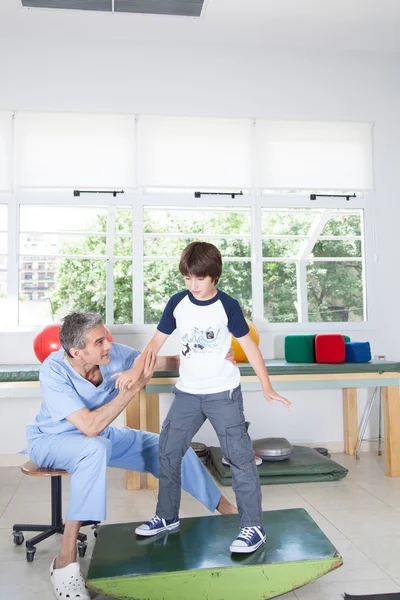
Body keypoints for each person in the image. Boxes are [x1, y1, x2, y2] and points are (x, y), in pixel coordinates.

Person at [25, 311, 237, 600]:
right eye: (99, 342)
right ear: (77, 352)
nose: (108, 346)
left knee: (171, 447)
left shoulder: (113, 356)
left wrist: (212, 360)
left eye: (107, 338)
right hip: (52, 440)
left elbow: (161, 362)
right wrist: (133, 388)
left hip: (98, 437)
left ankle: (233, 513)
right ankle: (64, 560)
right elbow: (89, 426)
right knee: (94, 447)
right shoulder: (53, 370)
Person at [116, 242, 292, 555]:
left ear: (214, 276)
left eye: (199, 279)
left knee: (239, 459)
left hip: (223, 394)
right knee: (167, 451)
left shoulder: (228, 305)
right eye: (187, 279)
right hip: (187, 394)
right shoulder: (177, 304)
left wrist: (267, 386)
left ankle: (253, 527)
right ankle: (167, 516)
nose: (193, 285)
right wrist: (134, 370)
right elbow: (155, 343)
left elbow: (250, 347)